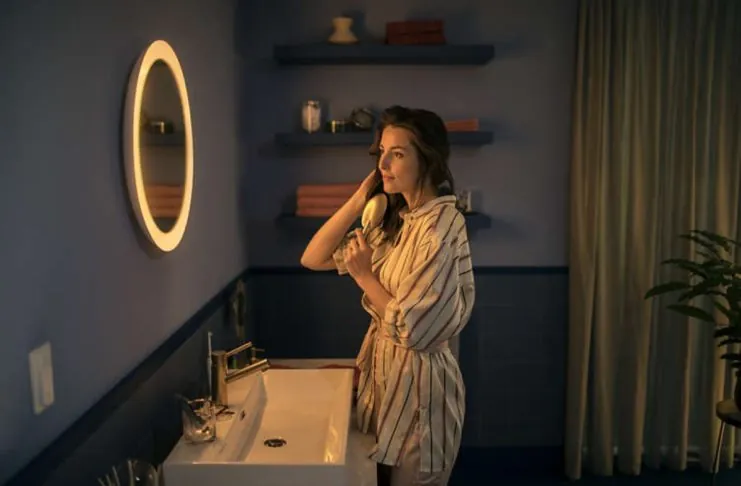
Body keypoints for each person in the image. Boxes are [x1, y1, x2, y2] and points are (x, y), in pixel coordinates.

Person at [300, 105, 475, 486]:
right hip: (387, 387)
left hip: (422, 399)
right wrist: (360, 198)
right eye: (381, 152)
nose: (383, 164)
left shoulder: (441, 227)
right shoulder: (397, 224)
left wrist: (365, 276)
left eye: (397, 154)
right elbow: (312, 257)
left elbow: (416, 330)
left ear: (427, 159)